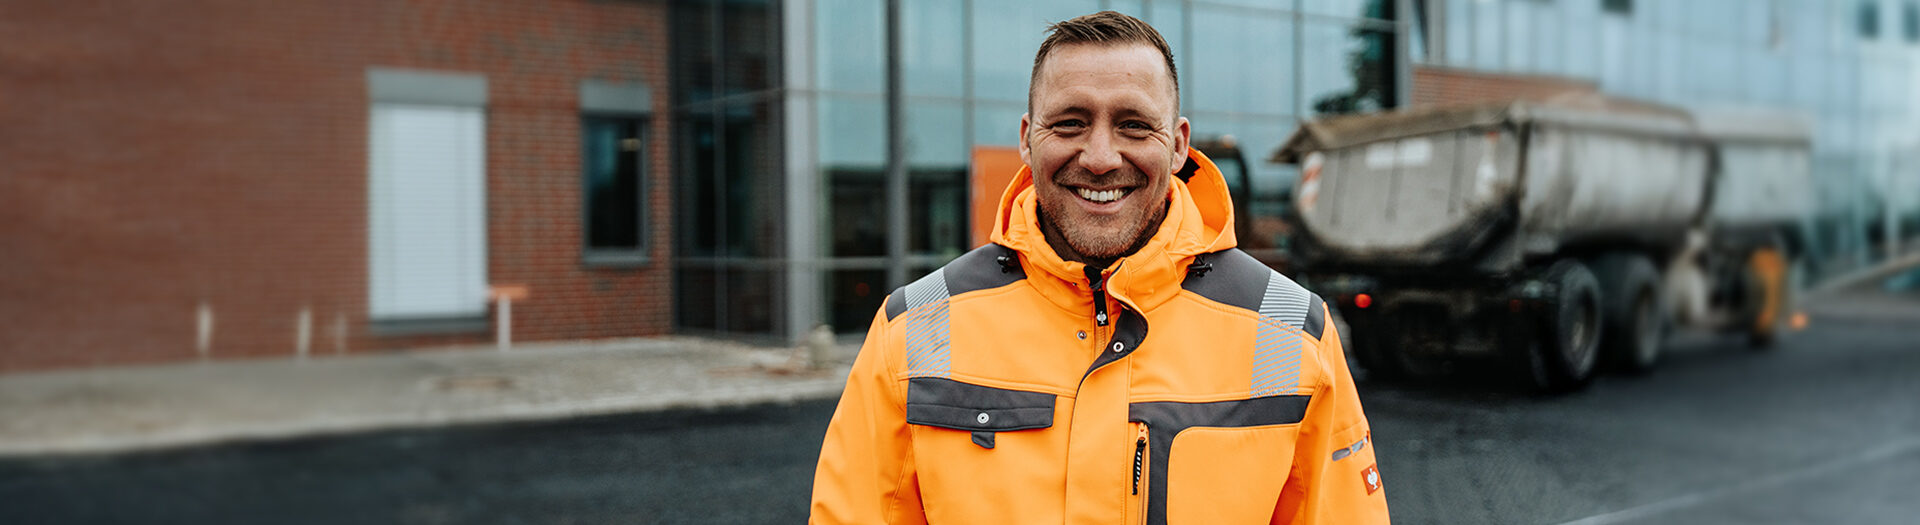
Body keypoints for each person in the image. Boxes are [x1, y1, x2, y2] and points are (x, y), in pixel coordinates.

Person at [810, 11, 1388, 524]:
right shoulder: (917, 327)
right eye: (1069, 123)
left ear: (1180, 145)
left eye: (1135, 125)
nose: (1102, 157)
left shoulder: (1291, 330)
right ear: (1027, 139)